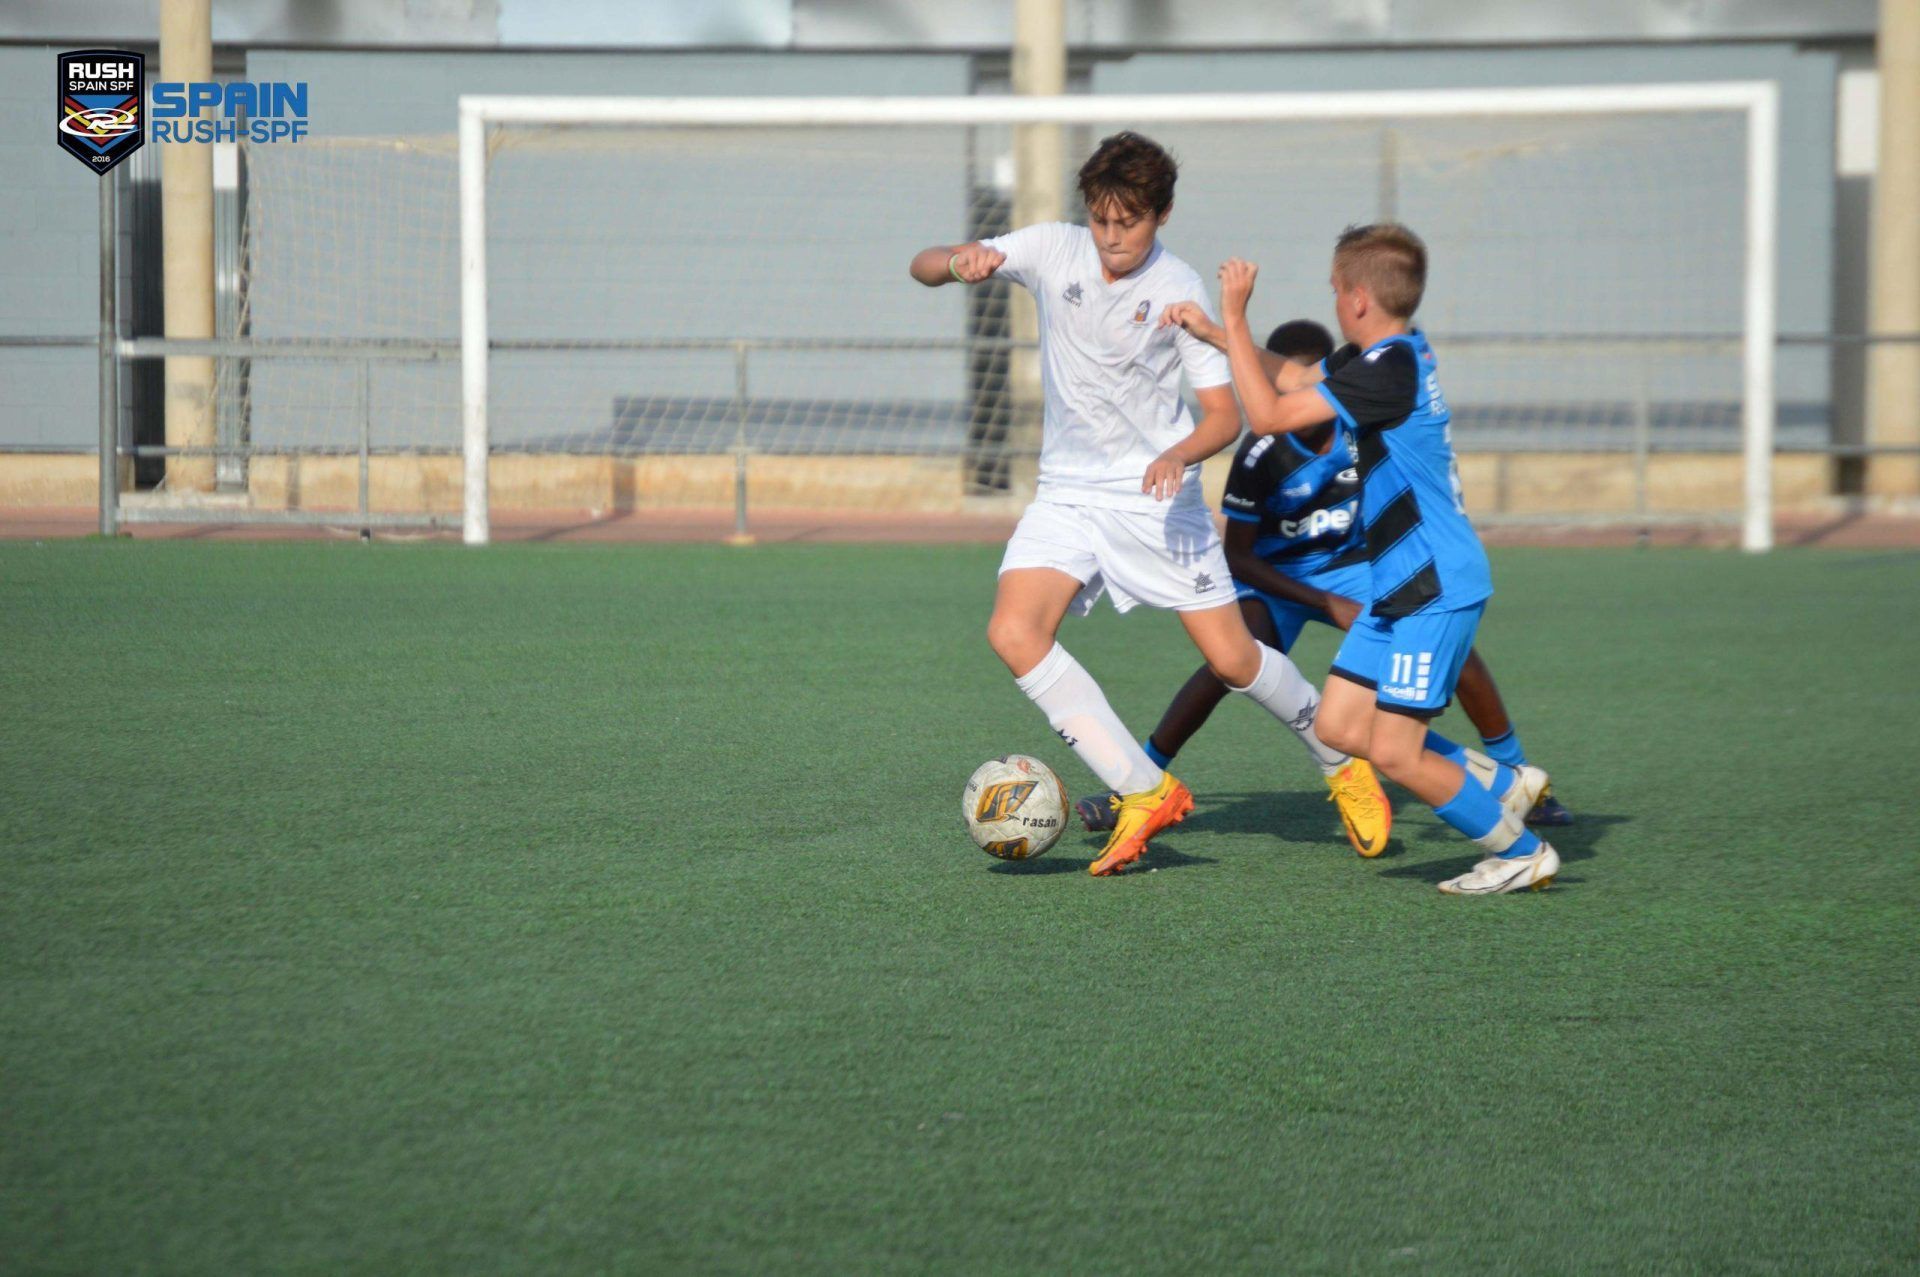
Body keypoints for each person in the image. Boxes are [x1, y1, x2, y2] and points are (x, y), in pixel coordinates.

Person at [908, 132, 1389, 876]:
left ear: (1161, 213)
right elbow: (924, 265)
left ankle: (1340, 759)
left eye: (1127, 222)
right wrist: (957, 262)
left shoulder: (1181, 289)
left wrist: (1179, 452)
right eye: (1100, 220)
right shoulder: (1050, 247)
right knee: (1012, 630)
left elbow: (1225, 417)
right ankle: (1144, 788)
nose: (1110, 238)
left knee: (1232, 659)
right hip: (1067, 492)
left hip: (1155, 502)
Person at [1077, 318, 1570, 850]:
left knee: (1452, 642)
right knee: (1231, 659)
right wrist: (1323, 602)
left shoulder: (1359, 423)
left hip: (1351, 566)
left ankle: (1515, 773)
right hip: (1277, 576)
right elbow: (1239, 557)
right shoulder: (1262, 451)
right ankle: (1141, 780)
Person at [1208, 224, 1561, 894]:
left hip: (1431, 584)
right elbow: (1293, 375)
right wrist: (1211, 329)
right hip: (1397, 585)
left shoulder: (1387, 372)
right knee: (1342, 727)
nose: (1335, 301)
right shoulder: (1390, 355)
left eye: (1337, 290)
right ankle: (1503, 781)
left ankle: (1521, 850)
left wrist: (1233, 310)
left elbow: (1269, 409)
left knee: (1396, 751)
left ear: (1359, 298)